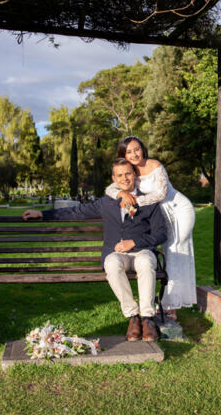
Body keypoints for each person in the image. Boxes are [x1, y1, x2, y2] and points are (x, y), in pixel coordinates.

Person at [23, 158, 167, 343]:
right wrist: (42, 214)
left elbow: (161, 233)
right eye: (120, 175)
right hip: (117, 254)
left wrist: (135, 242)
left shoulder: (148, 201)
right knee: (111, 263)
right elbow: (76, 212)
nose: (124, 178)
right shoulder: (107, 202)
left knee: (146, 262)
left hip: (142, 251)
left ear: (134, 175)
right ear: (113, 178)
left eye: (128, 173)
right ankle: (133, 317)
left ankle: (147, 319)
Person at [106, 136, 196, 320]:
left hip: (178, 210)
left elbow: (161, 194)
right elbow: (109, 189)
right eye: (129, 151)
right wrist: (122, 193)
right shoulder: (129, 172)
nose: (134, 154)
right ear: (123, 155)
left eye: (137, 149)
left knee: (176, 252)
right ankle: (165, 304)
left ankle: (171, 306)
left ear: (143, 149)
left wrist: (135, 201)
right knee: (169, 254)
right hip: (161, 215)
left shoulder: (155, 165)